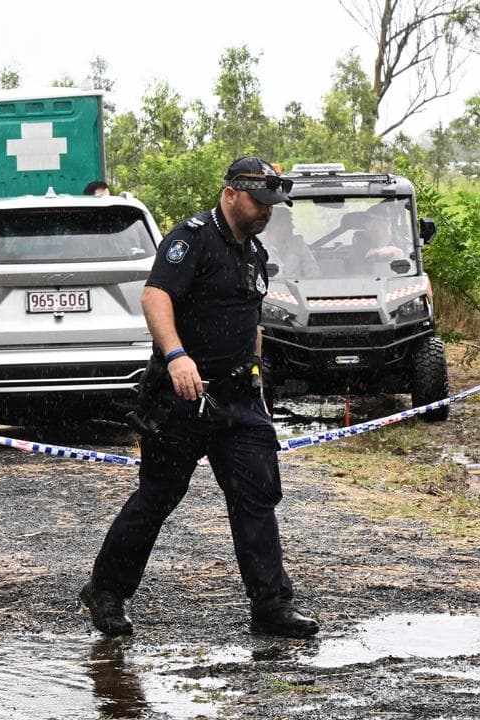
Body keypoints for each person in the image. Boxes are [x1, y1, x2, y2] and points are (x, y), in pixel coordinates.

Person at [79, 156, 319, 639]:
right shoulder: (190, 239)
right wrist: (176, 355)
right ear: (230, 193)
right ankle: (106, 591)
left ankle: (271, 607)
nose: (266, 211)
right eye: (259, 201)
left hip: (239, 399)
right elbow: (154, 297)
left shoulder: (252, 252)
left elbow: (250, 320)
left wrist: (258, 384)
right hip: (181, 397)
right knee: (158, 497)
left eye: (273, 203)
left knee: (256, 497)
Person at [264, 206, 320, 278]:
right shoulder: (256, 245)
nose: (292, 226)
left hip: (299, 287)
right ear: (275, 226)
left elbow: (313, 270)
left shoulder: (298, 244)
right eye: (288, 222)